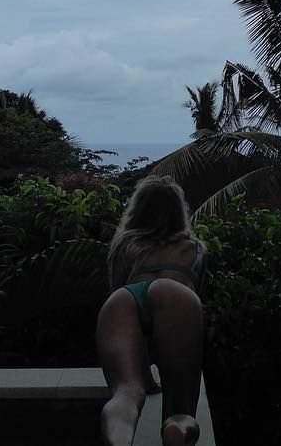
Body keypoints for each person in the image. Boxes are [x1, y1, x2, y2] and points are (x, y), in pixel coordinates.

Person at [96, 175, 207, 446]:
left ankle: (120, 439)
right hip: (176, 293)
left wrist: (146, 379)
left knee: (125, 392)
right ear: (178, 211)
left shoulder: (124, 246)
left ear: (139, 209)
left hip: (125, 298)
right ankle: (176, 426)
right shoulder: (194, 248)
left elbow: (120, 297)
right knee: (181, 408)